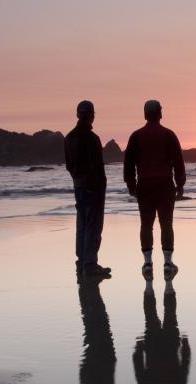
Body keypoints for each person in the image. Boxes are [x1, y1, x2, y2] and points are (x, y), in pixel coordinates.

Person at [123, 100, 185, 278]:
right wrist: (180, 184)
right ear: (160, 114)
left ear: (145, 114)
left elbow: (129, 164)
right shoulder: (168, 135)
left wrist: (131, 184)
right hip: (165, 185)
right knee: (166, 224)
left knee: (146, 225)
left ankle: (147, 263)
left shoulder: (136, 136)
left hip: (145, 185)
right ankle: (167, 263)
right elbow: (178, 162)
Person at [64, 100, 111, 277]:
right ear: (92, 116)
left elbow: (69, 165)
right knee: (93, 226)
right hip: (94, 188)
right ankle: (90, 264)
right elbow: (97, 166)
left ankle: (82, 262)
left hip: (79, 186)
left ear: (78, 115)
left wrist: (78, 179)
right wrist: (101, 185)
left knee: (82, 225)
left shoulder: (69, 138)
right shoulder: (92, 139)